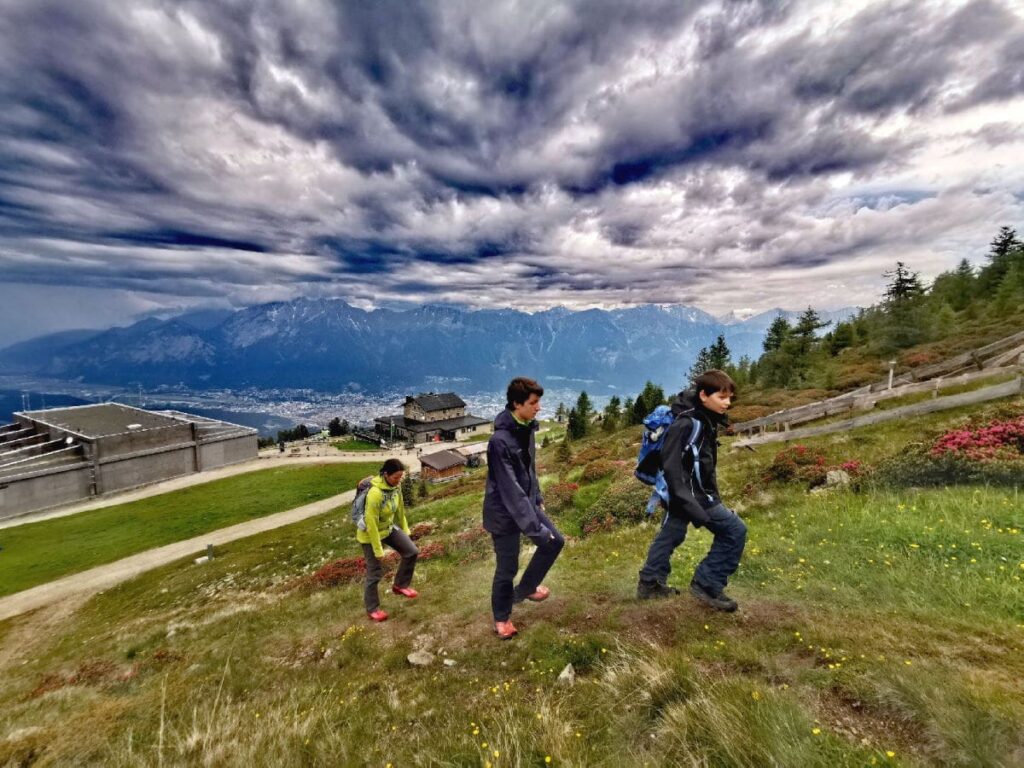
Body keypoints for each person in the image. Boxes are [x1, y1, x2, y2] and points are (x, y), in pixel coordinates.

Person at [637, 369, 747, 612]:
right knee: (734, 531)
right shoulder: (688, 423)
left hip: (682, 493)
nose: (727, 403)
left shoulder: (703, 418)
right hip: (691, 495)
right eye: (722, 397)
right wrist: (688, 501)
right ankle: (707, 585)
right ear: (704, 395)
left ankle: (650, 583)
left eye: (730, 398)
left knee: (671, 534)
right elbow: (671, 462)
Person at [483, 377, 565, 639]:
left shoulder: (525, 428)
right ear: (517, 404)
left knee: (556, 541)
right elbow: (510, 491)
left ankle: (527, 588)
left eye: (538, 401)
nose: (538, 407)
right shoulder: (499, 441)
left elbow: (529, 469)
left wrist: (537, 495)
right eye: (533, 402)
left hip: (525, 504)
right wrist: (536, 530)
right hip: (504, 514)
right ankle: (502, 618)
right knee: (507, 568)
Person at [357, 458, 419, 622]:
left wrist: (405, 530)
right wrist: (378, 550)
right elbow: (371, 523)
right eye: (395, 477)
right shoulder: (375, 493)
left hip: (388, 528)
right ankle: (372, 609)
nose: (398, 481)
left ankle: (400, 585)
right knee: (375, 572)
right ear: (386, 474)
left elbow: (400, 511)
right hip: (370, 535)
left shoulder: (395, 488)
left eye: (400, 477)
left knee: (411, 551)